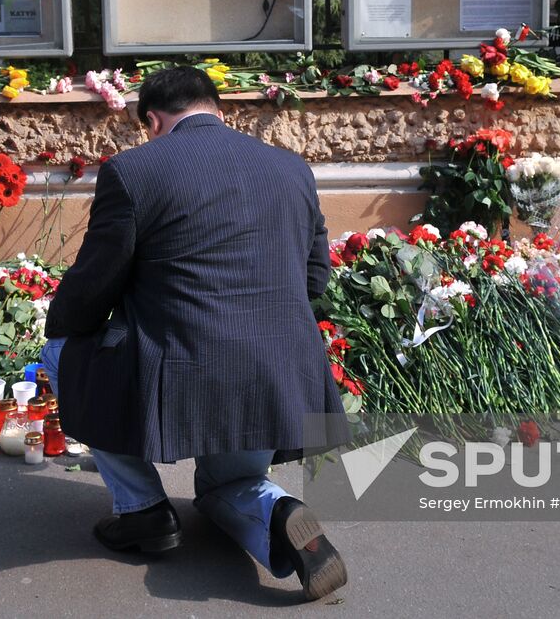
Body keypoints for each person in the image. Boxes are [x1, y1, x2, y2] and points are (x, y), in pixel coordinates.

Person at [41, 66, 349, 601]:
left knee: (62, 352)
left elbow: (95, 282)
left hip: (185, 367)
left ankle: (143, 511)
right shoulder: (290, 168)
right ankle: (282, 511)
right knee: (224, 486)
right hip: (279, 369)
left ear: (154, 120)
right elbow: (315, 278)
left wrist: (71, 330)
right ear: (217, 110)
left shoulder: (134, 171)